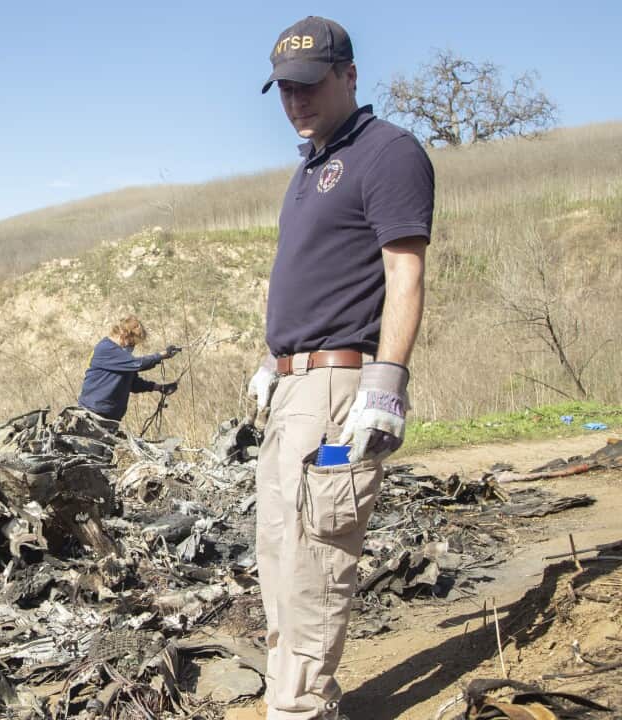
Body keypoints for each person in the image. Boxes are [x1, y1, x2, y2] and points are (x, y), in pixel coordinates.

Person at [247, 16, 434, 720]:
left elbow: (404, 273)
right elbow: (318, 278)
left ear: (350, 76)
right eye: (284, 90)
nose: (295, 101)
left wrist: (385, 385)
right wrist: (272, 360)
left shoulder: (388, 154)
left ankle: (301, 710)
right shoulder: (311, 166)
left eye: (310, 85)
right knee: (277, 561)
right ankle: (294, 701)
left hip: (336, 390)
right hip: (292, 387)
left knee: (315, 564)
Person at [77, 315, 180, 422]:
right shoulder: (105, 349)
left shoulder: (123, 359)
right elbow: (138, 364)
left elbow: (134, 384)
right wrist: (162, 355)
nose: (132, 347)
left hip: (110, 419)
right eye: (132, 343)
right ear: (124, 335)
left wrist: (160, 388)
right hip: (91, 415)